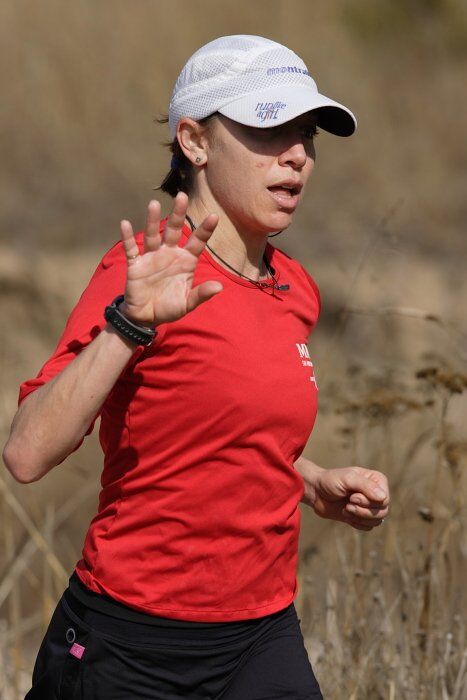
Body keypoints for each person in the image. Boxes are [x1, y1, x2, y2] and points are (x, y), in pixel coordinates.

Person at [3, 34, 390, 700]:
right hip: (130, 647)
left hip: (259, 634)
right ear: (194, 141)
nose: (297, 154)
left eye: (306, 135)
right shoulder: (146, 275)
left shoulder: (293, 286)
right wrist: (130, 324)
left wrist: (313, 481)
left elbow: (216, 429)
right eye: (269, 129)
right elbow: (28, 453)